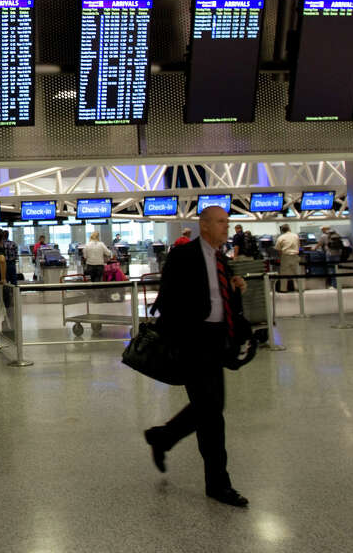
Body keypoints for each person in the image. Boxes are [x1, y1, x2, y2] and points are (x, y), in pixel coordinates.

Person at [143, 206, 250, 508]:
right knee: (212, 415)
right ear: (203, 226)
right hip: (194, 342)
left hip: (218, 341)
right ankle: (218, 484)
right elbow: (168, 300)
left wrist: (235, 287)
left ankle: (162, 437)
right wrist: (185, 336)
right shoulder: (183, 255)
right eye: (220, 222)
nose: (225, 227)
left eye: (227, 222)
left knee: (211, 408)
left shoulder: (221, 259)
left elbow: (220, 297)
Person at [274, 224, 301, 293]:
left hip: (285, 256)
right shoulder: (295, 236)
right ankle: (300, 288)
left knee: (284, 274)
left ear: (282, 230)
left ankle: (283, 289)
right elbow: (299, 245)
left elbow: (278, 249)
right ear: (289, 228)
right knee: (297, 273)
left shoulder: (281, 238)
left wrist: (281, 257)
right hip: (295, 255)